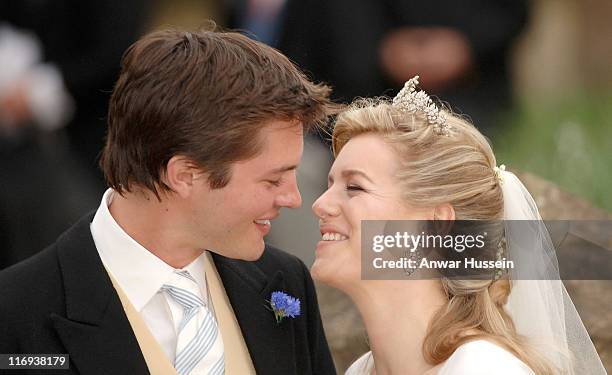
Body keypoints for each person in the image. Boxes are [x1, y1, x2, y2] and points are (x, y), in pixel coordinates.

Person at [0, 27, 337, 375]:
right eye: (272, 179)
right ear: (183, 175)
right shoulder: (14, 313)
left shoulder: (285, 282)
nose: (294, 198)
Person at [311, 76, 606, 374]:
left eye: (355, 187)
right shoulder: (361, 370)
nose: (320, 204)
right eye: (330, 184)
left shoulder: (484, 368)